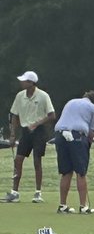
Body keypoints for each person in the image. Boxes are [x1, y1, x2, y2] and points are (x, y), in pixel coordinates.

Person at [6, 71, 56, 204]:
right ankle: (15, 192)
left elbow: (52, 115)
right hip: (25, 132)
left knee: (37, 161)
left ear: (31, 83)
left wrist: (36, 124)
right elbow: (14, 115)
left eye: (24, 81)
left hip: (39, 132)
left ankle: (38, 193)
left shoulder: (43, 96)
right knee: (18, 160)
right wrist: (12, 134)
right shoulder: (19, 96)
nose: (21, 82)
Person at [53, 90, 94, 214]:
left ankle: (63, 206)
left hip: (59, 135)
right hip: (77, 135)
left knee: (66, 172)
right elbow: (91, 133)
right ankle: (83, 207)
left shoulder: (71, 101)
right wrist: (88, 145)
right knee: (81, 172)